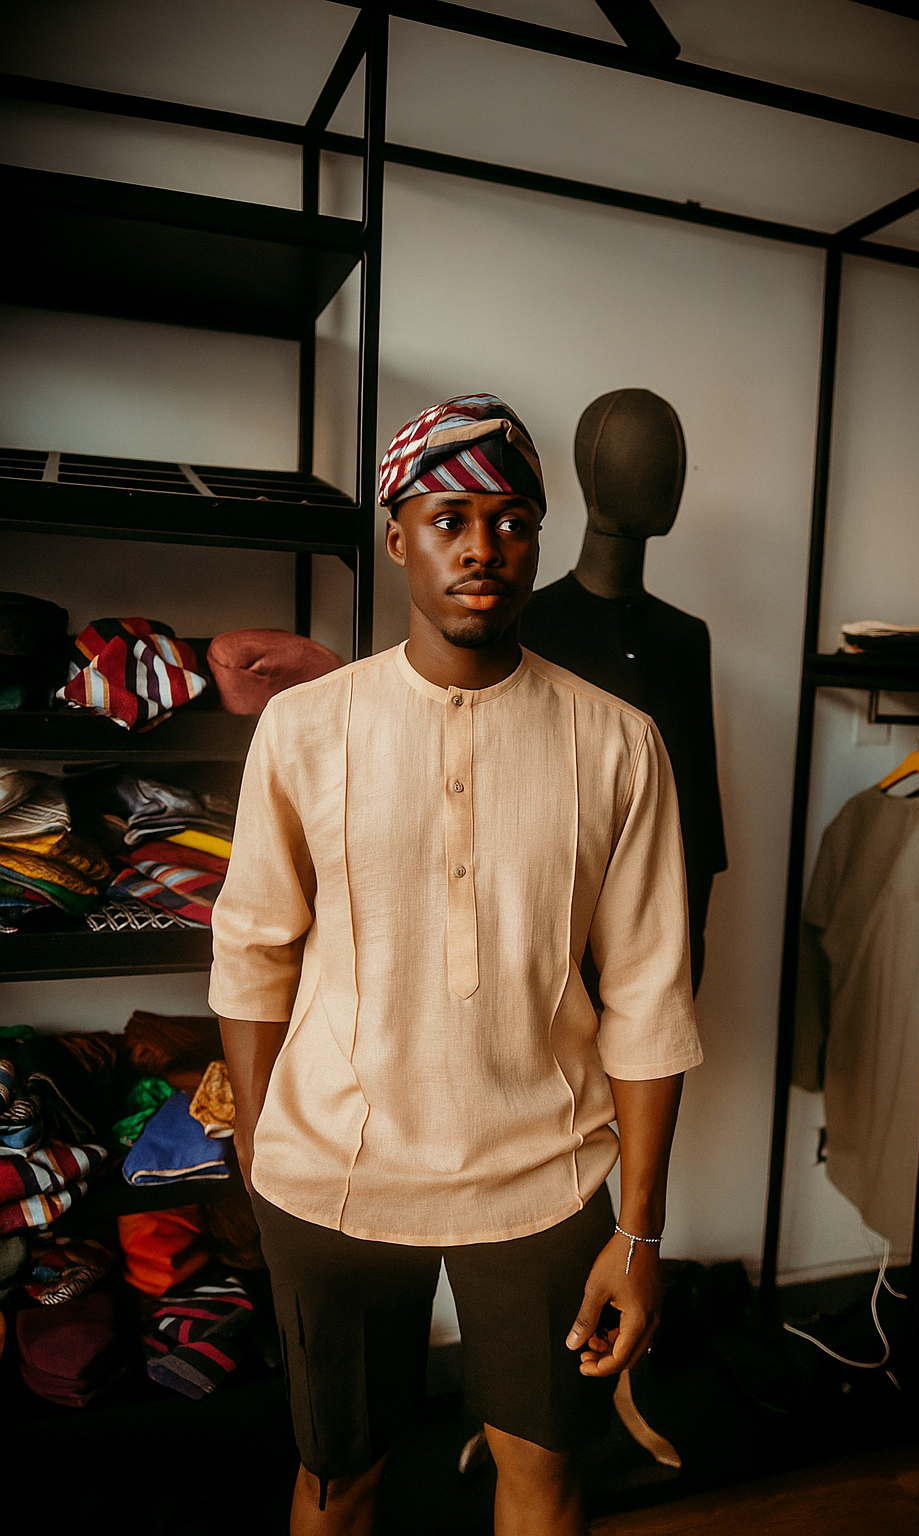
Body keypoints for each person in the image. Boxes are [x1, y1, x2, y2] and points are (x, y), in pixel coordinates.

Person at [210, 394, 703, 1536]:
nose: (483, 545)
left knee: (542, 1474)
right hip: (332, 1175)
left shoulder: (617, 741)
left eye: (513, 518)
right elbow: (253, 949)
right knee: (342, 1478)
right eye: (449, 517)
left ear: (536, 537)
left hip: (544, 1178)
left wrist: (639, 1232)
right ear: (397, 538)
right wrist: (257, 1146)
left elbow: (647, 997)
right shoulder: (307, 728)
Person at [520, 387, 726, 993]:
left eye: (676, 458)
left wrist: (687, 956)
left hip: (658, 943)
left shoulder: (686, 639)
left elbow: (698, 820)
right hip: (544, 947)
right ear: (593, 473)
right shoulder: (528, 623)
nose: (676, 473)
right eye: (654, 455)